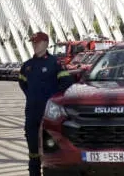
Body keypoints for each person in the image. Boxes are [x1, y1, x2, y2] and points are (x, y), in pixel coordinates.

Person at [18, 31, 73, 176]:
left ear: (46, 43)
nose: (34, 45)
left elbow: (66, 83)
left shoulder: (55, 63)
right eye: (33, 43)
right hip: (32, 114)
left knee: (53, 151)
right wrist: (32, 96)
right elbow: (23, 83)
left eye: (37, 42)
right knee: (33, 152)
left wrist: (51, 99)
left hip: (49, 115)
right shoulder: (27, 65)